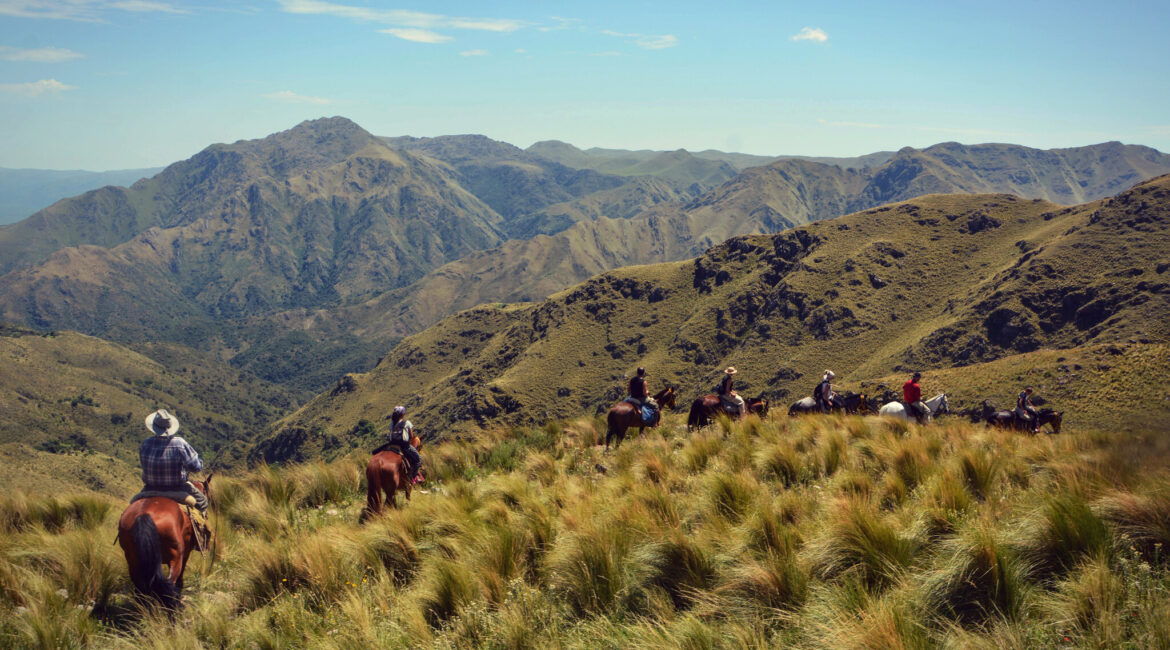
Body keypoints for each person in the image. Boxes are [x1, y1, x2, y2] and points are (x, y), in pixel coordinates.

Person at [132, 409, 210, 546]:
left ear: (154, 427)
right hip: (177, 487)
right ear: (170, 427)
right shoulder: (179, 443)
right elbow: (196, 467)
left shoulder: (146, 443)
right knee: (203, 501)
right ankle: (201, 542)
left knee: (132, 507)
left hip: (149, 488)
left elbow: (144, 463)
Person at [374, 406, 422, 481]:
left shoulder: (391, 424)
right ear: (403, 414)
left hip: (392, 445)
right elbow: (411, 436)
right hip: (404, 446)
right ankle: (412, 478)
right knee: (419, 459)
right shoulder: (407, 423)